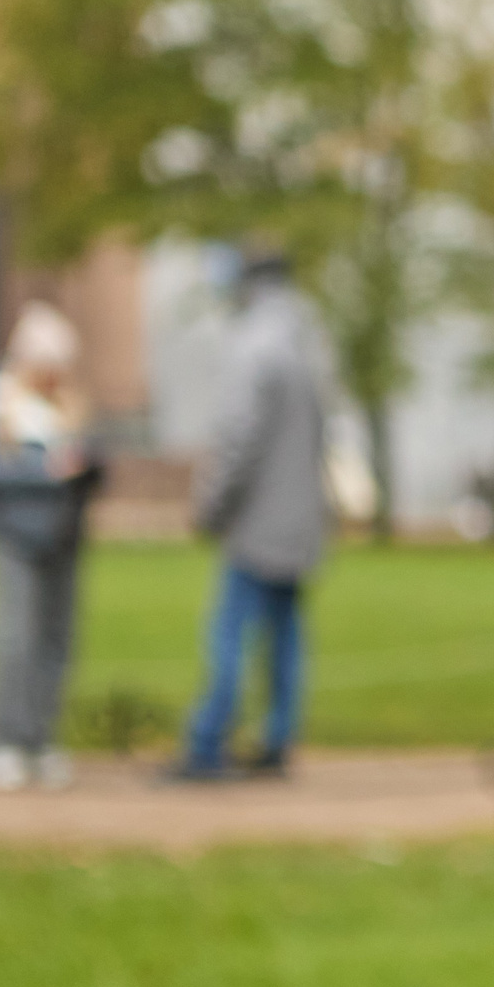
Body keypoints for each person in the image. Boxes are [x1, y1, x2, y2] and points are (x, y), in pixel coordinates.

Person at [169, 248, 331, 780]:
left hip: (258, 522)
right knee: (285, 633)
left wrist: (210, 507)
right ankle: (277, 738)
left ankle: (208, 742)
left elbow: (238, 441)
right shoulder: (310, 341)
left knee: (230, 632)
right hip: (303, 519)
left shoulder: (254, 345)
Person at [0, 302, 103, 791]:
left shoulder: (68, 405)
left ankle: (41, 737)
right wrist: (43, 474)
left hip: (65, 540)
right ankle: (2, 738)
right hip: (16, 539)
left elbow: (89, 457)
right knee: (14, 641)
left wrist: (86, 469)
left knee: (56, 643)